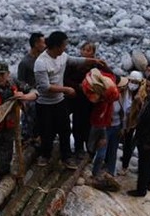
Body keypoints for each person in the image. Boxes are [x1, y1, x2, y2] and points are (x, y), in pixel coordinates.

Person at [33, 31, 105, 169]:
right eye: (63, 45)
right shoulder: (41, 63)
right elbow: (45, 87)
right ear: (56, 46)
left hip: (59, 101)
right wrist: (66, 89)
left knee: (65, 129)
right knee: (46, 131)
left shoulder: (62, 56)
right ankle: (45, 155)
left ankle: (66, 157)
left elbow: (74, 60)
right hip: (45, 103)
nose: (65, 48)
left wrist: (94, 61)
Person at [64, 41, 100, 159]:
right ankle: (78, 148)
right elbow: (66, 79)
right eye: (84, 50)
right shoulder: (74, 65)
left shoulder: (96, 66)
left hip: (91, 101)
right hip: (77, 99)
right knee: (77, 124)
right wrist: (78, 86)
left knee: (89, 125)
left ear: (93, 53)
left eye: (88, 50)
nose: (85, 52)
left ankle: (89, 150)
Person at [17, 32, 46, 143]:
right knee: (29, 121)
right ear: (36, 44)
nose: (45, 45)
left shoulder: (43, 59)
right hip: (30, 97)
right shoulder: (25, 62)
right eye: (42, 43)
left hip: (43, 95)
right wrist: (29, 89)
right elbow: (20, 81)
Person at [120, 70, 144, 173]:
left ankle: (125, 166)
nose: (133, 85)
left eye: (136, 83)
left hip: (132, 123)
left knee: (128, 144)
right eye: (131, 81)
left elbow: (143, 110)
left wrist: (139, 102)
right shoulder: (123, 90)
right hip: (121, 119)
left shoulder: (141, 94)